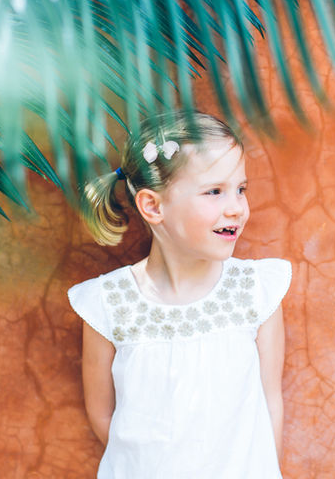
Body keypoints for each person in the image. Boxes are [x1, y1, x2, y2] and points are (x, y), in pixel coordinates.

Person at [68, 111, 291, 478]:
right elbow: (102, 414)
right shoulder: (109, 304)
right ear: (153, 206)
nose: (236, 207)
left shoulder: (255, 292)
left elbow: (270, 404)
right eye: (214, 191)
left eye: (241, 189)